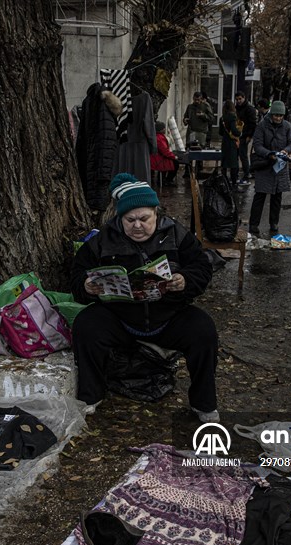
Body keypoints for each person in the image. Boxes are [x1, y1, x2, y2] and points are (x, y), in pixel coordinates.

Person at [70, 173, 218, 421]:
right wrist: (86, 286)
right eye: (130, 220)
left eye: (144, 218)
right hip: (121, 319)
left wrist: (185, 281)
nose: (137, 225)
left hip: (168, 317)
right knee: (86, 325)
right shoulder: (102, 241)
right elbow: (76, 275)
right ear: (120, 218)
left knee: (204, 330)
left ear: (155, 213)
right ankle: (90, 395)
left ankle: (204, 403)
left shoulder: (176, 233)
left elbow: (202, 267)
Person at [249, 100, 291, 235]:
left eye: (281, 116)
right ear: (271, 114)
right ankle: (253, 224)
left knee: (277, 196)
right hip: (265, 165)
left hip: (280, 166)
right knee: (260, 195)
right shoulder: (262, 126)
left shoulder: (287, 126)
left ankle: (274, 222)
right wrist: (269, 154)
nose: (278, 118)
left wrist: (286, 151)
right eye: (276, 115)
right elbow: (257, 145)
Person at [235, 91, 258, 184]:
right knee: (237, 155)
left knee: (243, 155)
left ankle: (246, 174)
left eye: (240, 99)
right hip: (238, 134)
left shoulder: (249, 109)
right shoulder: (237, 108)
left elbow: (252, 124)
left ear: (244, 98)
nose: (239, 101)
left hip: (244, 135)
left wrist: (249, 135)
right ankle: (238, 174)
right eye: (237, 99)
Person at [219, 100, 242, 184]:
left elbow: (220, 132)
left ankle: (224, 180)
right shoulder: (233, 117)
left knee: (224, 163)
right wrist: (239, 132)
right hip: (232, 142)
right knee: (233, 163)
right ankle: (234, 181)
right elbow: (234, 130)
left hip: (225, 142)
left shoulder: (222, 118)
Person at [150, 121, 178, 186]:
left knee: (171, 162)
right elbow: (164, 151)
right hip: (159, 159)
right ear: (161, 129)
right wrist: (173, 156)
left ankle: (163, 180)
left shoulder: (157, 136)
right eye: (164, 128)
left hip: (157, 158)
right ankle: (168, 180)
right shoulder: (159, 138)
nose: (165, 129)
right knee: (175, 163)